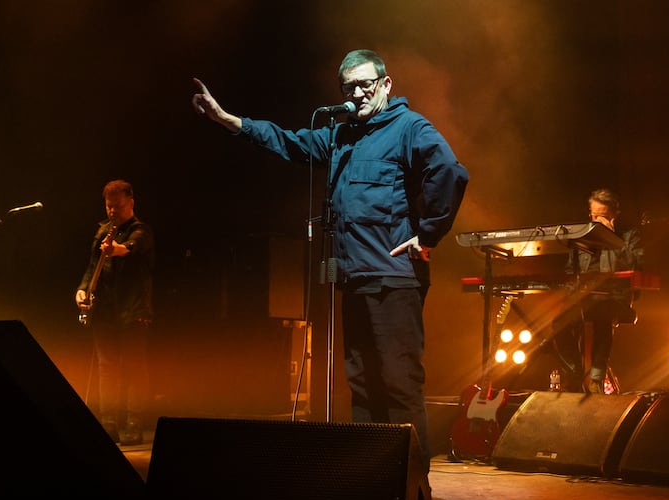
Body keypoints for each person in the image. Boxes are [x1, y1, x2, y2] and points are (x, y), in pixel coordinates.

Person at [191, 49, 469, 469]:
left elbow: (449, 171)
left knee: (399, 384)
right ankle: (372, 478)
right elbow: (288, 141)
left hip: (394, 279)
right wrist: (230, 121)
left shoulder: (409, 128)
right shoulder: (340, 136)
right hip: (353, 278)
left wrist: (428, 235)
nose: (356, 94)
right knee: (361, 385)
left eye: (365, 84)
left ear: (385, 84)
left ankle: (412, 482)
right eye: (348, 87)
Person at [76, 179, 154, 445]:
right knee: (106, 368)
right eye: (109, 206)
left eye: (117, 207)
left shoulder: (141, 231)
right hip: (105, 312)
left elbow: (132, 247)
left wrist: (117, 249)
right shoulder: (101, 231)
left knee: (133, 368)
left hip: (133, 311)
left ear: (130, 203)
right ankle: (107, 423)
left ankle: (134, 425)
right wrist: (82, 290)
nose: (112, 211)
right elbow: (92, 267)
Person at [551, 188, 644, 393]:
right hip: (585, 296)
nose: (598, 221)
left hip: (615, 296)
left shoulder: (629, 235)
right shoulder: (582, 235)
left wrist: (613, 240)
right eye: (595, 216)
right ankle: (574, 372)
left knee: (603, 316)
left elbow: (635, 265)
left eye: (604, 216)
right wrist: (570, 294)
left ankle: (596, 378)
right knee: (559, 323)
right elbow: (571, 270)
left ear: (614, 215)